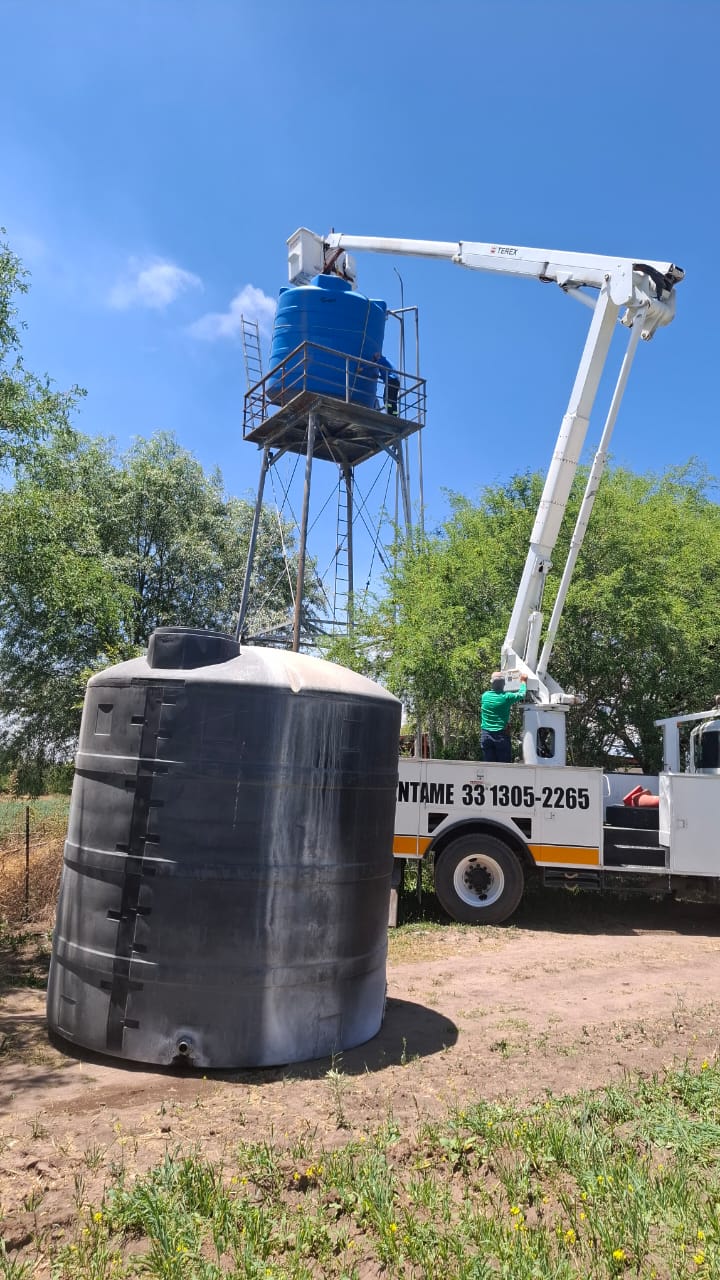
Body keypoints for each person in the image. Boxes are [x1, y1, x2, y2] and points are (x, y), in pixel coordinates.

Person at [480, 671, 527, 763]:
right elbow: (522, 694)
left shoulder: (485, 696)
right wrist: (523, 681)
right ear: (504, 684)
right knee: (503, 765)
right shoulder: (506, 697)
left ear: (492, 684)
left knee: (488, 765)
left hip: (486, 735)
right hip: (500, 736)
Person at [372, 351, 400, 415]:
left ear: (379, 356)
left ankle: (389, 413)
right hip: (396, 381)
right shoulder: (387, 361)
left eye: (375, 357)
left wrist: (362, 368)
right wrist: (379, 376)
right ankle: (394, 414)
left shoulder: (382, 360)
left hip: (391, 381)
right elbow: (387, 374)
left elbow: (372, 365)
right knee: (393, 400)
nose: (375, 359)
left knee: (386, 398)